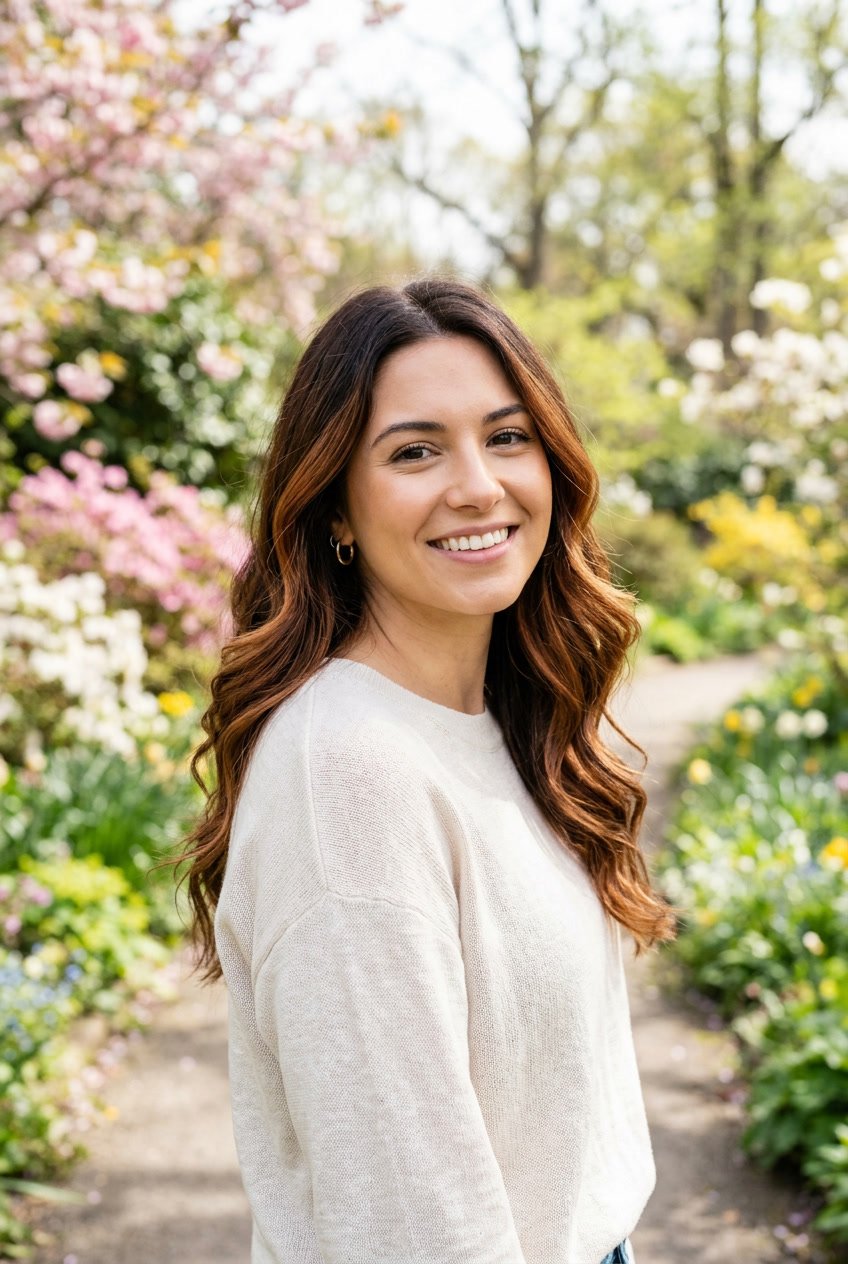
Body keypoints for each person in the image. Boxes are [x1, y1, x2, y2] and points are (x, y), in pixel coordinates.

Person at [171, 276, 680, 1264]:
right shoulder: (350, 776)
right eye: (414, 451)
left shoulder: (498, 716)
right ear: (335, 511)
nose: (477, 485)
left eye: (505, 436)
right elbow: (408, 1224)